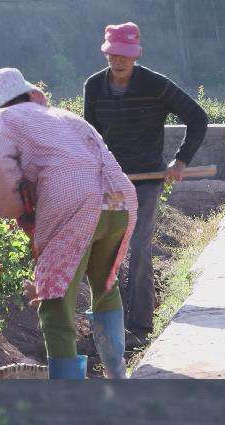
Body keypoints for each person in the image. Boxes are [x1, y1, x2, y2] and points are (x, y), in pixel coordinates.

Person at [0, 68, 138, 380]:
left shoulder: (2, 119)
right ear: (27, 93)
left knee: (55, 305)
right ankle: (118, 376)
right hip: (117, 199)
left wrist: (12, 208)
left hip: (76, 202)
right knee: (105, 284)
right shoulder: (62, 116)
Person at [83, 22, 209, 349]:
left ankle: (139, 327)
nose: (117, 61)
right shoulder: (94, 87)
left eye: (124, 55)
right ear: (106, 52)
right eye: (112, 54)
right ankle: (109, 321)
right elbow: (91, 137)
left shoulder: (156, 86)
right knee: (108, 249)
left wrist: (180, 161)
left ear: (135, 56)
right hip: (111, 180)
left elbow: (198, 118)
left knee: (139, 247)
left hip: (147, 180)